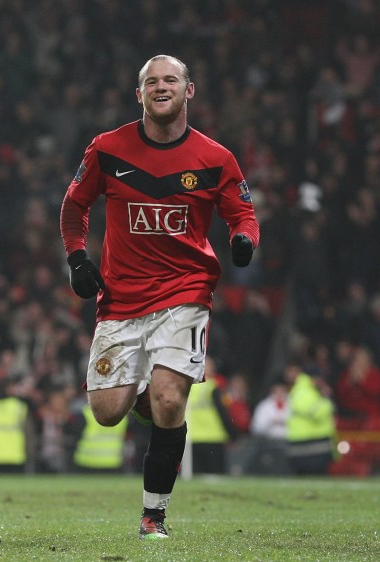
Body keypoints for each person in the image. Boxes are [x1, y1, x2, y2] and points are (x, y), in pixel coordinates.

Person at [60, 54, 259, 539]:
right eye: (152, 81)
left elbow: (243, 214)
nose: (161, 86)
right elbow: (74, 205)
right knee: (107, 413)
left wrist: (243, 240)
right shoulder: (108, 149)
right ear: (140, 94)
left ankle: (154, 516)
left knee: (171, 400)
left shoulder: (215, 158)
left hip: (185, 292)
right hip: (121, 300)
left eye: (171, 79)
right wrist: (77, 259)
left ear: (189, 91)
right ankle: (147, 395)